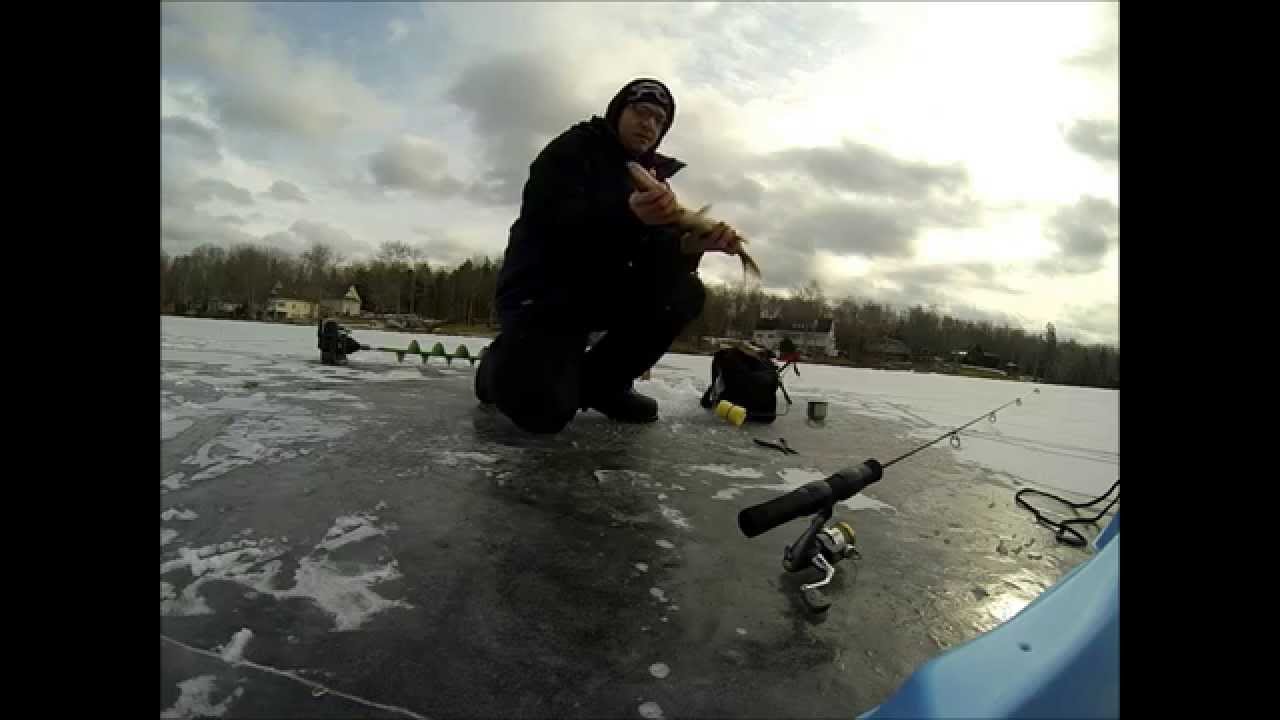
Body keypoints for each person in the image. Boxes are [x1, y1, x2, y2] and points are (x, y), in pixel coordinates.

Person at [475, 78, 742, 434]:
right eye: (641, 112)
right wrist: (627, 214)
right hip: (543, 294)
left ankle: (603, 384)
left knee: (684, 292)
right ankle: (494, 369)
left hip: (598, 290)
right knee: (543, 414)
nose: (649, 124)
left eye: (659, 120)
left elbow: (652, 258)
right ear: (617, 112)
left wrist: (689, 247)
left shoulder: (652, 178)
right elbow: (554, 227)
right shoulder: (570, 151)